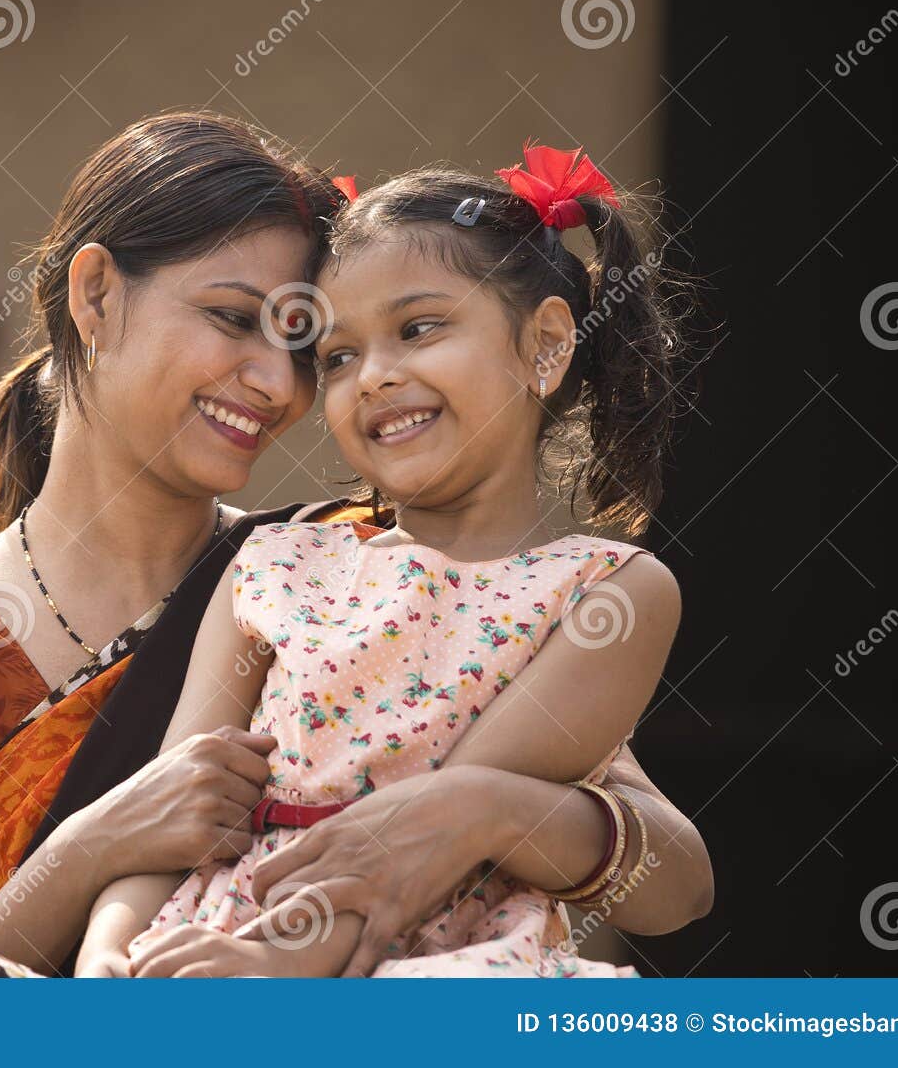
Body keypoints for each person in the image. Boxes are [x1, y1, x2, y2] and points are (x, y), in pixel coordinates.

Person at [0, 115, 713, 979]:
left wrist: (479, 809)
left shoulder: (356, 563)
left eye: (305, 348)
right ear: (96, 294)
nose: (277, 382)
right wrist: (86, 854)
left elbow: (670, 877)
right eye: (234, 319)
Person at [79, 145, 689, 977]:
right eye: (337, 357)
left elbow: (427, 833)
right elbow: (174, 806)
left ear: (545, 345)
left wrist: (275, 966)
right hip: (215, 945)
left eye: (418, 328)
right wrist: (107, 947)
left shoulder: (603, 595)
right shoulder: (274, 566)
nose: (373, 377)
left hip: (431, 965)